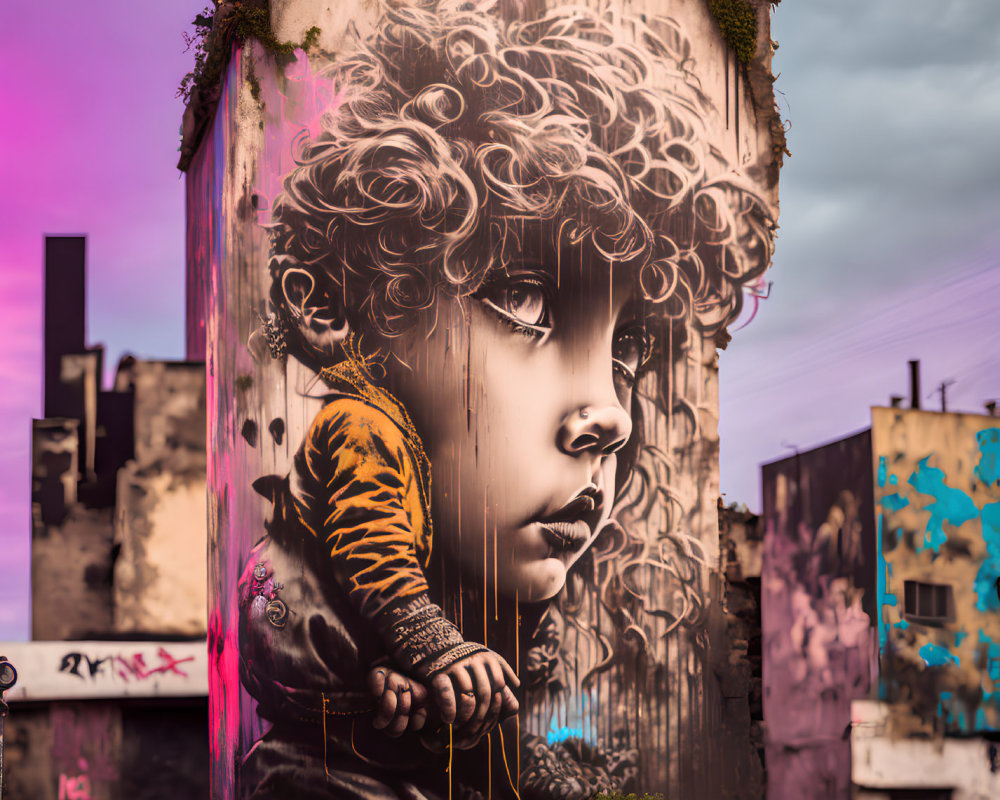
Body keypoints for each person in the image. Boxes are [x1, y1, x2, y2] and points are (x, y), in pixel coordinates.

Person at [237, 1, 774, 798]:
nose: (611, 417)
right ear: (335, 308)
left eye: (626, 347)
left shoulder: (502, 595)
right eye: (523, 301)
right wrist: (437, 652)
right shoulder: (364, 430)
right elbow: (374, 554)